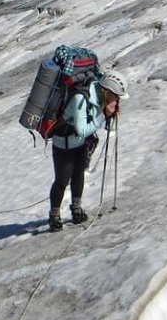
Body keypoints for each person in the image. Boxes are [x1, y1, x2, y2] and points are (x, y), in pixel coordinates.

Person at [48, 70, 129, 231]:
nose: (117, 100)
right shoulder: (81, 99)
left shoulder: (98, 96)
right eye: (116, 97)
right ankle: (54, 215)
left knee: (78, 174)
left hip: (78, 143)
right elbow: (82, 130)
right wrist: (104, 115)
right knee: (62, 180)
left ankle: (76, 208)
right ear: (107, 92)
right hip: (64, 144)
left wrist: (107, 113)